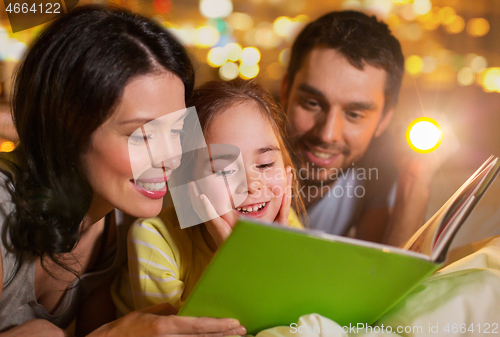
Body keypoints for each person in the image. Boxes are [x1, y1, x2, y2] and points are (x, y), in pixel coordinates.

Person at [0, 6, 245, 336]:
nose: (170, 158)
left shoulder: (122, 217)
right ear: (67, 127)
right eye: (142, 134)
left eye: (176, 131)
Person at [126, 79, 305, 311]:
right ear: (188, 182)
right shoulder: (155, 237)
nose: (252, 185)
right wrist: (233, 263)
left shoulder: (285, 224)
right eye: (225, 170)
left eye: (265, 164)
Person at [281, 10, 435, 246]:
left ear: (384, 119)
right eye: (312, 103)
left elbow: (387, 278)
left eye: (354, 114)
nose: (327, 134)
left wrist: (416, 176)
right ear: (285, 92)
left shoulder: (374, 177)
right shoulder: (233, 154)